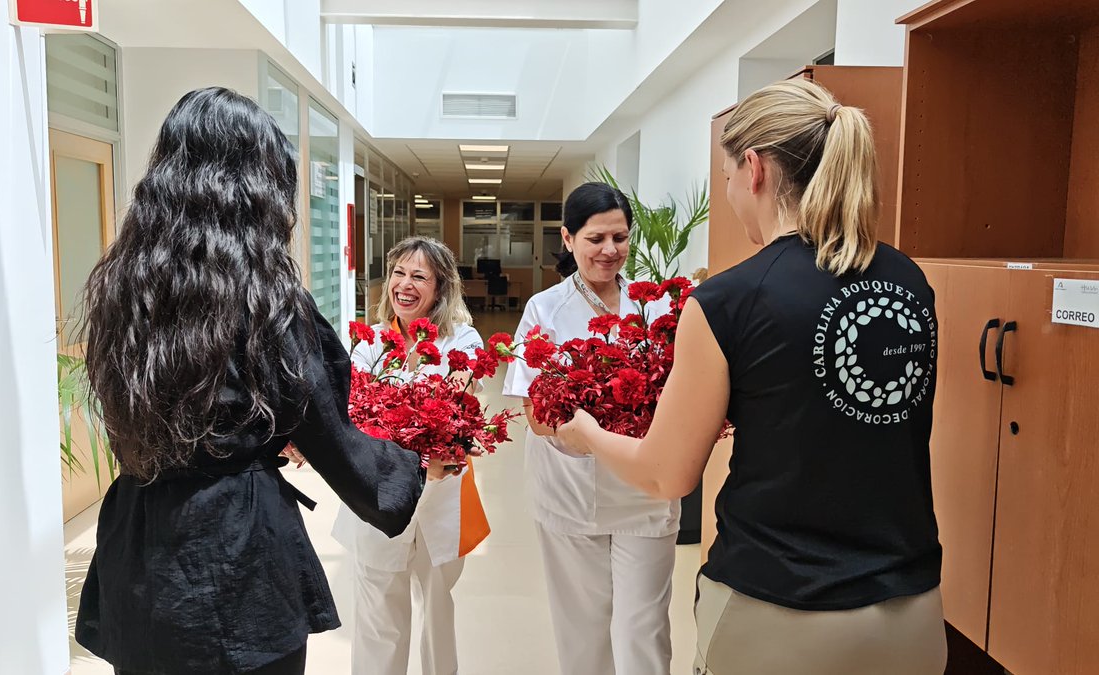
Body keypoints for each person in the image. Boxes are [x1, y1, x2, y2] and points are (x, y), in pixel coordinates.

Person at [558, 79, 946, 675]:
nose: (730, 193)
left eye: (727, 175)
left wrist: (582, 432)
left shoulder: (730, 300)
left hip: (778, 615)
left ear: (755, 169)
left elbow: (667, 474)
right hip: (911, 614)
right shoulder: (909, 280)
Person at [73, 87, 453, 675]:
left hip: (141, 542)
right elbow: (328, 429)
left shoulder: (123, 289)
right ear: (254, 193)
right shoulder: (265, 301)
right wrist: (410, 465)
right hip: (238, 549)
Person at [502, 182, 678, 675]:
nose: (610, 250)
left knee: (643, 627)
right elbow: (536, 416)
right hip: (571, 487)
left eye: (620, 238)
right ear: (568, 238)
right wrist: (582, 433)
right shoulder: (545, 309)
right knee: (582, 627)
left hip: (645, 488)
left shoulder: (655, 308)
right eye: (595, 238)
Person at [332, 235, 489, 675]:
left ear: (440, 288)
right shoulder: (371, 342)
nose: (404, 284)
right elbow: (356, 412)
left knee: (438, 609)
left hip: (442, 495)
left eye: (419, 276)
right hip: (378, 490)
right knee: (379, 612)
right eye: (398, 273)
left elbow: (458, 404)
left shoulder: (464, 339)